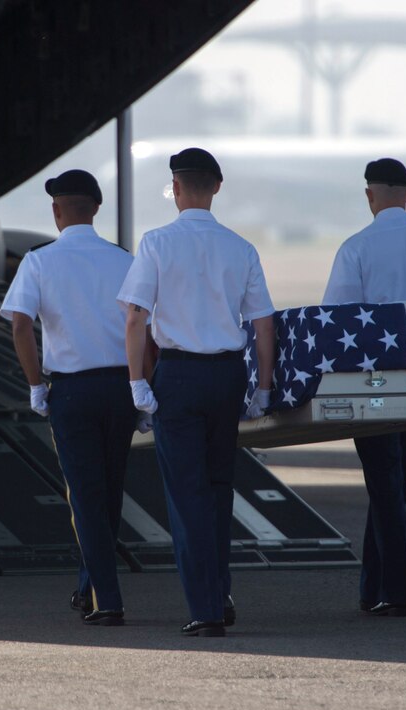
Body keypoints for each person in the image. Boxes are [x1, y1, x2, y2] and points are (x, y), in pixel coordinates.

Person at [118, 147, 276, 637]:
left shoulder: (157, 242)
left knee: (186, 496)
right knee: (217, 490)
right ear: (217, 188)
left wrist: (136, 381)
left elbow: (135, 316)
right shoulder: (240, 247)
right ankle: (220, 593)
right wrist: (263, 388)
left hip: (180, 376)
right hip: (228, 375)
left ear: (176, 187)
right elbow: (263, 322)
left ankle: (205, 609)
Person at [0, 169, 149, 627]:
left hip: (73, 390)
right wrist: (142, 386)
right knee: (107, 492)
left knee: (83, 496)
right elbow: (148, 328)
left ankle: (108, 599)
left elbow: (21, 324)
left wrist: (34, 385)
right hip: (121, 387)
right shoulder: (124, 259)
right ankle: (89, 588)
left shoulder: (39, 260)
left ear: (56, 210)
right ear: (96, 209)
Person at [322, 158, 406, 618]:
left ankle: (396, 591)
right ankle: (371, 586)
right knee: (392, 485)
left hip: (371, 383)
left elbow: (335, 318)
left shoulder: (356, 247)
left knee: (384, 483)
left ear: (369, 196)